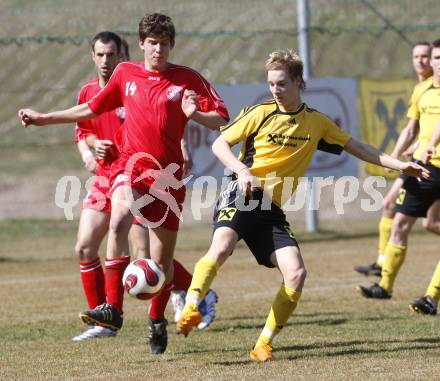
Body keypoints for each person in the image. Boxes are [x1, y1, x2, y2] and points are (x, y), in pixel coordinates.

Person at [175, 49, 429, 362]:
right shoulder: (260, 113)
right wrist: (242, 171)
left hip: (271, 210)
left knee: (296, 273)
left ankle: (263, 343)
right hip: (242, 194)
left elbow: (359, 148)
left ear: (298, 81)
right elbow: (219, 143)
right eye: (270, 83)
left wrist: (400, 165)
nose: (275, 90)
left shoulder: (316, 123)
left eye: (281, 83)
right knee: (222, 246)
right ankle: (191, 307)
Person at [18, 13, 229, 352]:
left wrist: (196, 115)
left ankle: (157, 319)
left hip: (168, 181)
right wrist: (44, 118)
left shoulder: (187, 78)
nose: (157, 49)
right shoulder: (126, 73)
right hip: (130, 171)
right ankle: (113, 310)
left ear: (171, 45)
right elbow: (90, 108)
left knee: (161, 267)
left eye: (164, 43)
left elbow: (221, 117)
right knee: (117, 220)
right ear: (142, 45)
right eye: (152, 43)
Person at [357, 39, 440, 300]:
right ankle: (384, 282)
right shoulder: (422, 90)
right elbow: (411, 128)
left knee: (428, 222)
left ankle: (429, 296)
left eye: (430, 56)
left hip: (429, 163)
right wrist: (393, 157)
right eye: (434, 57)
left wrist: (430, 144)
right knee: (399, 217)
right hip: (424, 167)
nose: (430, 61)